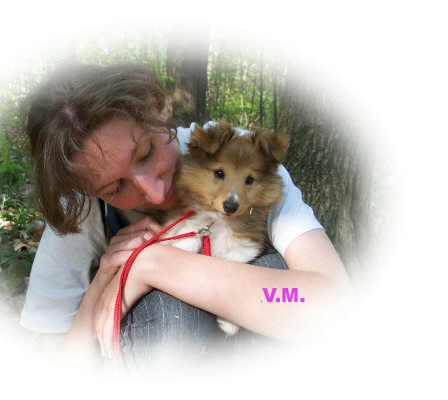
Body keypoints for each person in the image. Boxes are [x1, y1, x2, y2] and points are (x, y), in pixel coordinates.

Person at [19, 63, 354, 372]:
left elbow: (327, 301)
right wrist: (103, 283)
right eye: (115, 187)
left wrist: (149, 264)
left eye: (147, 152)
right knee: (171, 312)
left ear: (157, 107)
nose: (154, 192)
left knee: (274, 273)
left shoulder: (242, 159)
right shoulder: (82, 206)